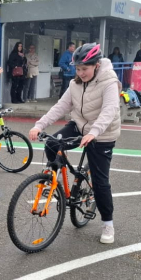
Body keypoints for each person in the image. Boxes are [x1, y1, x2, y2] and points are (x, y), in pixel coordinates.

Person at [28, 43, 121, 244]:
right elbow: (61, 106)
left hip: (103, 134)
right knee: (52, 144)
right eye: (77, 69)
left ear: (96, 65)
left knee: (100, 182)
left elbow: (110, 110)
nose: (80, 73)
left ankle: (108, 224)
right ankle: (56, 182)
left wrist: (95, 132)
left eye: (84, 69)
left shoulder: (109, 82)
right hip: (79, 126)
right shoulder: (75, 84)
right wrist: (39, 125)